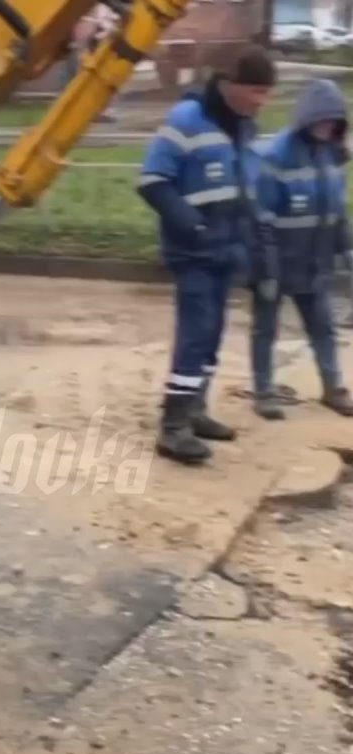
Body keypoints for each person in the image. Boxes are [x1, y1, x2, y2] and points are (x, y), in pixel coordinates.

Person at [137, 46, 278, 465]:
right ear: (230, 85)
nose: (262, 101)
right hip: (194, 251)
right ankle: (173, 425)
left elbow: (245, 191)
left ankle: (195, 409)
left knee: (212, 335)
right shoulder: (186, 120)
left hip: (228, 250)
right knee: (196, 334)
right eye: (256, 91)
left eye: (267, 93)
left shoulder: (244, 128)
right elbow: (152, 180)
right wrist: (194, 227)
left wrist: (255, 246)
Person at [251, 78, 353, 419]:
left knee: (323, 327)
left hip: (314, 263)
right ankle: (264, 391)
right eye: (323, 121)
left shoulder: (331, 158)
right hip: (276, 262)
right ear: (307, 118)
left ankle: (333, 388)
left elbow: (337, 211)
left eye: (334, 123)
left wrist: (346, 249)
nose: (327, 128)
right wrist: (266, 268)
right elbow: (262, 216)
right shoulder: (276, 157)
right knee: (266, 328)